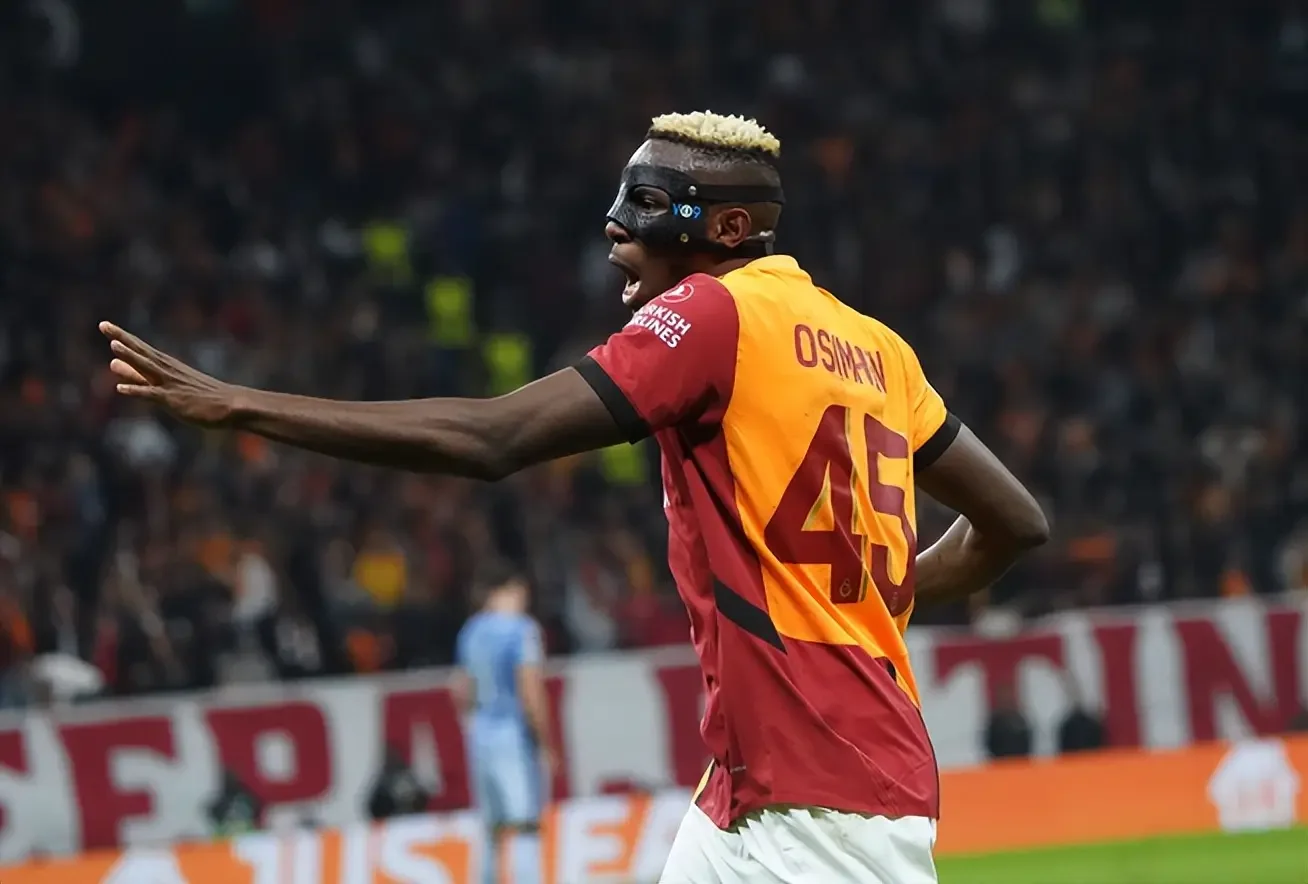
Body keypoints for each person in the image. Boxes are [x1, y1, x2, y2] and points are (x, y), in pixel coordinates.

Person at [100, 110, 1049, 884]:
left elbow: (492, 438)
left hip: (823, 812)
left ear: (728, 231)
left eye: (649, 203)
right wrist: (882, 594)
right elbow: (1014, 522)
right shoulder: (880, 349)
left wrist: (240, 404)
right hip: (759, 796)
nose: (615, 226)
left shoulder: (714, 314)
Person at [449, 563, 555, 884]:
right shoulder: (521, 629)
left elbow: (460, 689)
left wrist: (472, 723)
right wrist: (545, 742)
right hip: (513, 737)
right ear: (508, 590)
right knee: (524, 825)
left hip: (479, 736)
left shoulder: (470, 631)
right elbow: (529, 688)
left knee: (491, 830)